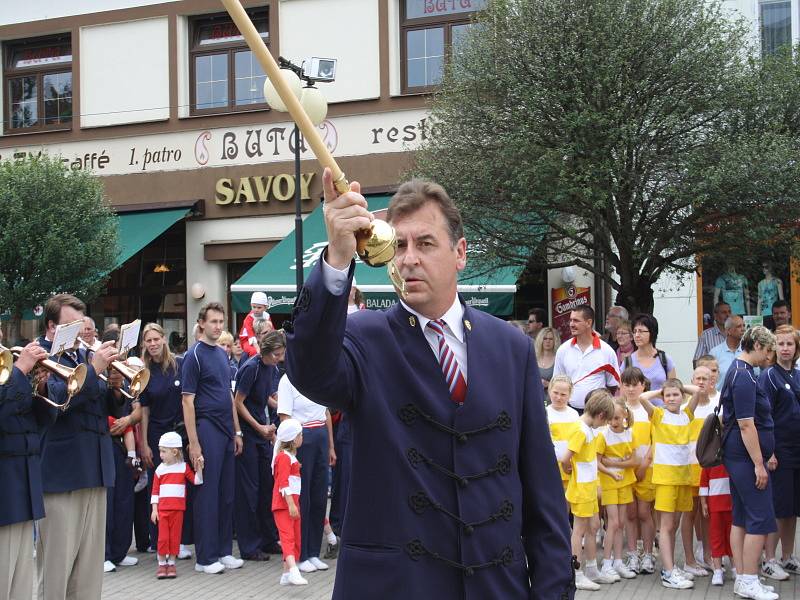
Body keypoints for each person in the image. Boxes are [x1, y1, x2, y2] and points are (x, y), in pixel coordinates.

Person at [284, 169, 574, 598]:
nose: (408, 258)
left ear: (460, 253)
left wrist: (553, 591)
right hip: (397, 586)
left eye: (425, 243)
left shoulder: (510, 347)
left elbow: (542, 492)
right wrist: (338, 259)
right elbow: (309, 369)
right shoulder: (365, 337)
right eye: (399, 245)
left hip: (495, 587)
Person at [35, 294, 121, 600]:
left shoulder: (79, 356)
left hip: (94, 470)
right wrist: (95, 370)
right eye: (70, 325)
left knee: (88, 572)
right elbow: (59, 402)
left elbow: (103, 407)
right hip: (62, 475)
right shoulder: (42, 355)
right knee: (56, 570)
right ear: (51, 326)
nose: (79, 331)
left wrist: (115, 384)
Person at [182, 302, 244, 574]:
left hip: (225, 430)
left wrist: (237, 430)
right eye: (214, 322)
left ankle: (222, 551)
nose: (218, 326)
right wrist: (194, 443)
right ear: (202, 323)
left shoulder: (221, 354)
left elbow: (228, 396)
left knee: (226, 492)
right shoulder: (193, 355)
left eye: (221, 322)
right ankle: (205, 558)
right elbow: (187, 402)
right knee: (207, 494)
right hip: (206, 427)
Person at [720, 325, 779, 600]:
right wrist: (759, 463)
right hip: (744, 457)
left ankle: (743, 578)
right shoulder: (743, 375)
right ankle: (749, 579)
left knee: (742, 517)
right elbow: (746, 425)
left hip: (738, 455)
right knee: (760, 516)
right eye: (767, 351)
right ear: (756, 345)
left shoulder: (739, 371)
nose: (769, 358)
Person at [638, 378, 703, 589]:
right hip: (666, 478)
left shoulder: (686, 415)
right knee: (665, 526)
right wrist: (661, 392)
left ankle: (672, 566)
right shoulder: (658, 415)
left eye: (676, 395)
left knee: (673, 525)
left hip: (683, 477)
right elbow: (641, 397)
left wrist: (678, 387)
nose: (672, 398)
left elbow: (698, 392)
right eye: (668, 396)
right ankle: (667, 572)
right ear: (663, 398)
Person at [0, 342, 50, 600]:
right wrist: (20, 371)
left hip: (22, 485)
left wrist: (38, 385)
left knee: (20, 582)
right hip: (5, 490)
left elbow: (40, 421)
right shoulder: (11, 373)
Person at [138, 323, 191, 560]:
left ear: (163, 339)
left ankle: (178, 541)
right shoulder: (144, 372)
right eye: (148, 341)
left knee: (179, 488)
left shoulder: (179, 365)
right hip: (156, 434)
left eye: (156, 339)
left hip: (179, 434)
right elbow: (144, 410)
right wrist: (144, 443)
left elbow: (188, 401)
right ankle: (158, 542)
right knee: (158, 489)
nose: (152, 344)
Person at [233, 330, 285, 561]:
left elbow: (265, 397)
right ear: (266, 352)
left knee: (267, 488)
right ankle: (249, 545)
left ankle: (268, 538)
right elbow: (238, 403)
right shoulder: (250, 368)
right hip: (250, 434)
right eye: (277, 354)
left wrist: (283, 409)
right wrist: (258, 428)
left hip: (264, 434)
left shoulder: (271, 368)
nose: (280, 358)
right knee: (250, 492)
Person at [277, 374, 335, 573]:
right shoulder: (287, 381)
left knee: (319, 497)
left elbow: (326, 412)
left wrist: (331, 446)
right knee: (303, 499)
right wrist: (293, 448)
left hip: (320, 435)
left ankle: (312, 552)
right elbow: (284, 417)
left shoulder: (317, 374)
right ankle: (300, 555)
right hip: (301, 437)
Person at [561, 389, 616, 591]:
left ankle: (592, 568)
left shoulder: (587, 428)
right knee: (579, 531)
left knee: (593, 526)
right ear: (601, 415)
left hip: (589, 486)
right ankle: (576, 573)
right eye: (606, 421)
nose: (605, 425)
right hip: (582, 489)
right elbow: (566, 458)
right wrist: (570, 470)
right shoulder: (581, 430)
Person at [761, 325, 800, 579]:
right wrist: (769, 452)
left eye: (790, 344)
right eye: (781, 344)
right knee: (777, 508)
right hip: (779, 451)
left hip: (797, 449)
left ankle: (787, 556)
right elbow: (763, 417)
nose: (785, 348)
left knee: (792, 508)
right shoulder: (769, 376)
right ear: (774, 347)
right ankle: (769, 559)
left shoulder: (797, 375)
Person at [680, 366, 717, 577]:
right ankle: (689, 560)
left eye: (706, 379)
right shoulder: (687, 407)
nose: (701, 382)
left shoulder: (715, 407)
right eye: (698, 379)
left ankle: (707, 554)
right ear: (691, 380)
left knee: (708, 513)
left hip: (709, 470)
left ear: (712, 382)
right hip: (689, 469)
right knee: (689, 513)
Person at [151, 431, 203, 579]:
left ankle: (171, 563)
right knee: (162, 538)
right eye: (160, 451)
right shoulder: (159, 470)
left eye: (163, 451)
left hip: (178, 510)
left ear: (174, 452)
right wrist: (154, 509)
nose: (160, 454)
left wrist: (199, 466)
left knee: (175, 537)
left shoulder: (184, 467)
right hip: (162, 510)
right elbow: (155, 492)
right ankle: (162, 564)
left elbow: (197, 481)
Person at [619, 367, 656, 575]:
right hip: (625, 471)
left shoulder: (648, 410)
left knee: (644, 512)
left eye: (635, 384)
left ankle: (648, 554)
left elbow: (655, 441)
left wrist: (644, 464)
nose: (631, 389)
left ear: (643, 385)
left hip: (646, 468)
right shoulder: (619, 409)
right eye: (627, 384)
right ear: (621, 386)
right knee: (630, 514)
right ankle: (633, 553)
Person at [596, 400, 638, 580]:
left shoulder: (630, 434)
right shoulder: (603, 435)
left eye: (617, 418)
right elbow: (597, 462)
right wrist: (612, 473)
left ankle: (618, 561)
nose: (614, 422)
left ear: (625, 416)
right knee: (612, 523)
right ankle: (606, 562)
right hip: (609, 484)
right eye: (611, 418)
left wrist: (612, 462)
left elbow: (634, 461)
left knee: (621, 523)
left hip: (625, 482)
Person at [553, 305, 620, 412]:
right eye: (570, 320)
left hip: (598, 413)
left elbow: (613, 385)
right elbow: (557, 382)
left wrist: (601, 403)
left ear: (588, 323)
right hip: (568, 410)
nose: (571, 324)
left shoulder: (607, 351)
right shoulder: (563, 350)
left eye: (576, 321)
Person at [272, 418, 308, 586]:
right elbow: (283, 483)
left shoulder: (290, 457)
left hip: (292, 504)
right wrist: (291, 504)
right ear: (294, 439)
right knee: (288, 538)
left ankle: (286, 573)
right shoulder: (283, 458)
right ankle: (294, 570)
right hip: (284, 505)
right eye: (300, 435)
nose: (302, 438)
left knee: (295, 538)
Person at [623, 314, 676, 396]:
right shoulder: (628, 362)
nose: (637, 335)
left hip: (662, 408)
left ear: (652, 333)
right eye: (634, 331)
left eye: (641, 331)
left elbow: (674, 390)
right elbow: (623, 395)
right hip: (635, 408)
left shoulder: (665, 360)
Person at [545, 375, 580, 493]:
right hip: (552, 465)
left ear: (570, 395)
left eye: (563, 394)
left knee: (568, 498)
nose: (558, 397)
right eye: (555, 392)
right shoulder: (545, 413)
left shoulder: (574, 415)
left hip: (570, 464)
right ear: (549, 390)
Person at [699, 464, 733, 586]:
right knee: (716, 538)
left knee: (732, 538)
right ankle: (717, 570)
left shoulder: (732, 457)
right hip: (715, 506)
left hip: (732, 505)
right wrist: (704, 503)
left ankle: (736, 568)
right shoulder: (709, 460)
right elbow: (703, 482)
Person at [710, 315, 745, 390]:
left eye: (744, 326)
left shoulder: (747, 351)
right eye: (739, 326)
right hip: (720, 399)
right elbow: (709, 379)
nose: (743, 329)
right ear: (728, 331)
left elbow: (756, 375)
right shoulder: (715, 353)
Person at [239, 292, 273, 358]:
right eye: (254, 307)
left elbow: (271, 330)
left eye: (259, 307)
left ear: (265, 307)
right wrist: (258, 349)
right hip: (246, 339)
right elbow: (251, 335)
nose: (256, 310)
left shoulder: (267, 315)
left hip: (261, 338)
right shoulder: (249, 318)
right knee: (254, 352)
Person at [535, 326, 558, 391]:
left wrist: (549, 384)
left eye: (551, 339)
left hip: (552, 397)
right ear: (540, 340)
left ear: (555, 341)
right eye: (545, 338)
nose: (548, 341)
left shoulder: (558, 359)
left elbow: (564, 381)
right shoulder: (533, 358)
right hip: (535, 396)